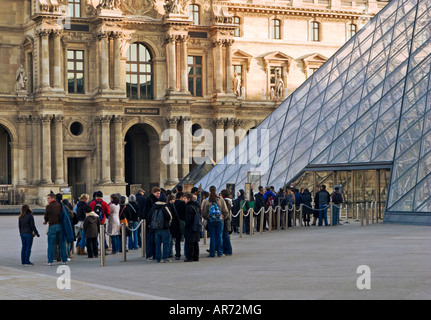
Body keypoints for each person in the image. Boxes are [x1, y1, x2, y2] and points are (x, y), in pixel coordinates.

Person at [201, 186, 228, 257]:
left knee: (212, 236)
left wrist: (207, 218)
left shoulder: (206, 200)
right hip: (220, 220)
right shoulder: (220, 199)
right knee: (219, 236)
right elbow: (226, 211)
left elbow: (204, 213)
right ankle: (220, 252)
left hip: (211, 220)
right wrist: (222, 217)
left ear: (209, 191)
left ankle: (212, 253)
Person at [43, 192, 68, 266]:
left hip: (52, 226)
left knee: (51, 243)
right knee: (62, 243)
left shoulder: (49, 206)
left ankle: (50, 261)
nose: (47, 200)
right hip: (60, 225)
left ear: (52, 198)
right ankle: (65, 260)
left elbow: (46, 216)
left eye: (48, 198)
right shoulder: (60, 205)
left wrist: (46, 221)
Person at [148, 197, 172, 263]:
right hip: (164, 228)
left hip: (156, 229)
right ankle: (164, 257)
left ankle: (157, 258)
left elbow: (149, 217)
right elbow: (169, 217)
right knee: (166, 243)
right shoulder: (165, 207)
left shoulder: (153, 207)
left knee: (157, 244)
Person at [144, 187, 161, 261]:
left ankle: (153, 254)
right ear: (153, 192)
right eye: (157, 193)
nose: (158, 195)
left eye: (159, 193)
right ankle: (149, 254)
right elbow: (147, 212)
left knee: (154, 239)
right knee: (150, 239)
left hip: (154, 221)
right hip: (150, 222)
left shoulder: (155, 200)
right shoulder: (150, 200)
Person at [183, 192, 201, 262]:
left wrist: (186, 227)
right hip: (196, 226)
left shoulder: (188, 207)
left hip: (190, 227)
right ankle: (196, 257)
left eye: (185, 198)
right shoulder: (196, 206)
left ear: (189, 199)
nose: (184, 200)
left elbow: (188, 219)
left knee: (189, 243)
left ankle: (189, 257)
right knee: (195, 243)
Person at [171, 192, 186, 260]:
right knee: (186, 238)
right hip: (183, 223)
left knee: (177, 240)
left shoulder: (173, 204)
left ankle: (177, 254)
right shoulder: (183, 204)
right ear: (181, 197)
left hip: (175, 224)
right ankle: (186, 253)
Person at [220, 189, 233, 256]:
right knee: (225, 235)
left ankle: (228, 250)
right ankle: (227, 250)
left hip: (225, 220)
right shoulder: (229, 201)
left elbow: (225, 211)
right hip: (227, 220)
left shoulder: (226, 201)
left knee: (225, 235)